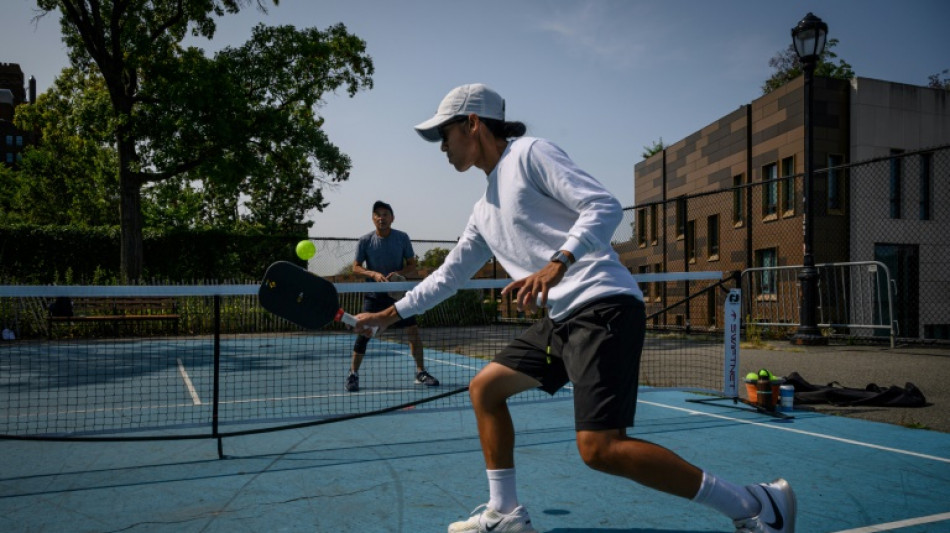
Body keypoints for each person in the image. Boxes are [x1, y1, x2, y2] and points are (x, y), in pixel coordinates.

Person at [353, 84, 796, 533]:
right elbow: (447, 277)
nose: (441, 146)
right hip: (563, 318)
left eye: (443, 134)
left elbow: (603, 207)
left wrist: (557, 264)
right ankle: (504, 512)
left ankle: (755, 505)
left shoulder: (529, 154)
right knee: (486, 389)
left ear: (473, 123)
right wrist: (389, 316)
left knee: (600, 449)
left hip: (602, 305)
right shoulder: (483, 209)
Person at [346, 200, 439, 392]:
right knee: (364, 335)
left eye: (385, 214)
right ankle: (353, 375)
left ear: (392, 218)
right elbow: (355, 267)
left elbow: (412, 265)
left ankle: (420, 372)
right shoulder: (365, 241)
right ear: (373, 219)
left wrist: (400, 274)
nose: (382, 218)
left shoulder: (402, 238)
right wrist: (372, 274)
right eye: (378, 215)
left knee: (413, 332)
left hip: (399, 295)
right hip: (374, 295)